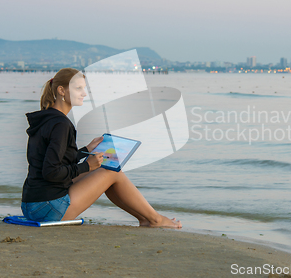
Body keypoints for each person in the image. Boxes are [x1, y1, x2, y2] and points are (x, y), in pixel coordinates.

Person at [21, 68, 182, 228]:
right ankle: (155, 220)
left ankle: (146, 219)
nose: (84, 93)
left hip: (31, 205)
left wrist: (85, 150)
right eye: (78, 88)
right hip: (49, 208)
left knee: (106, 168)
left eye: (84, 89)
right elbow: (50, 172)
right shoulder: (61, 124)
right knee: (111, 171)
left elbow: (52, 161)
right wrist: (86, 165)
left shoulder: (47, 118)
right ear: (62, 90)